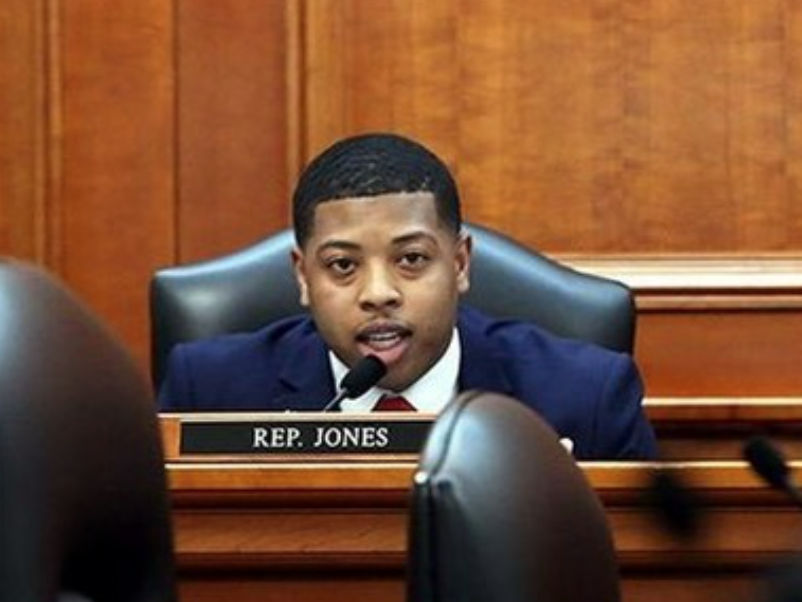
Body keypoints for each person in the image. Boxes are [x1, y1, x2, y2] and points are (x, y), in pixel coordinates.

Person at [158, 132, 657, 459]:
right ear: (303, 277)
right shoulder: (210, 394)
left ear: (459, 264)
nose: (379, 293)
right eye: (343, 266)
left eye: (412, 259)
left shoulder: (585, 395)